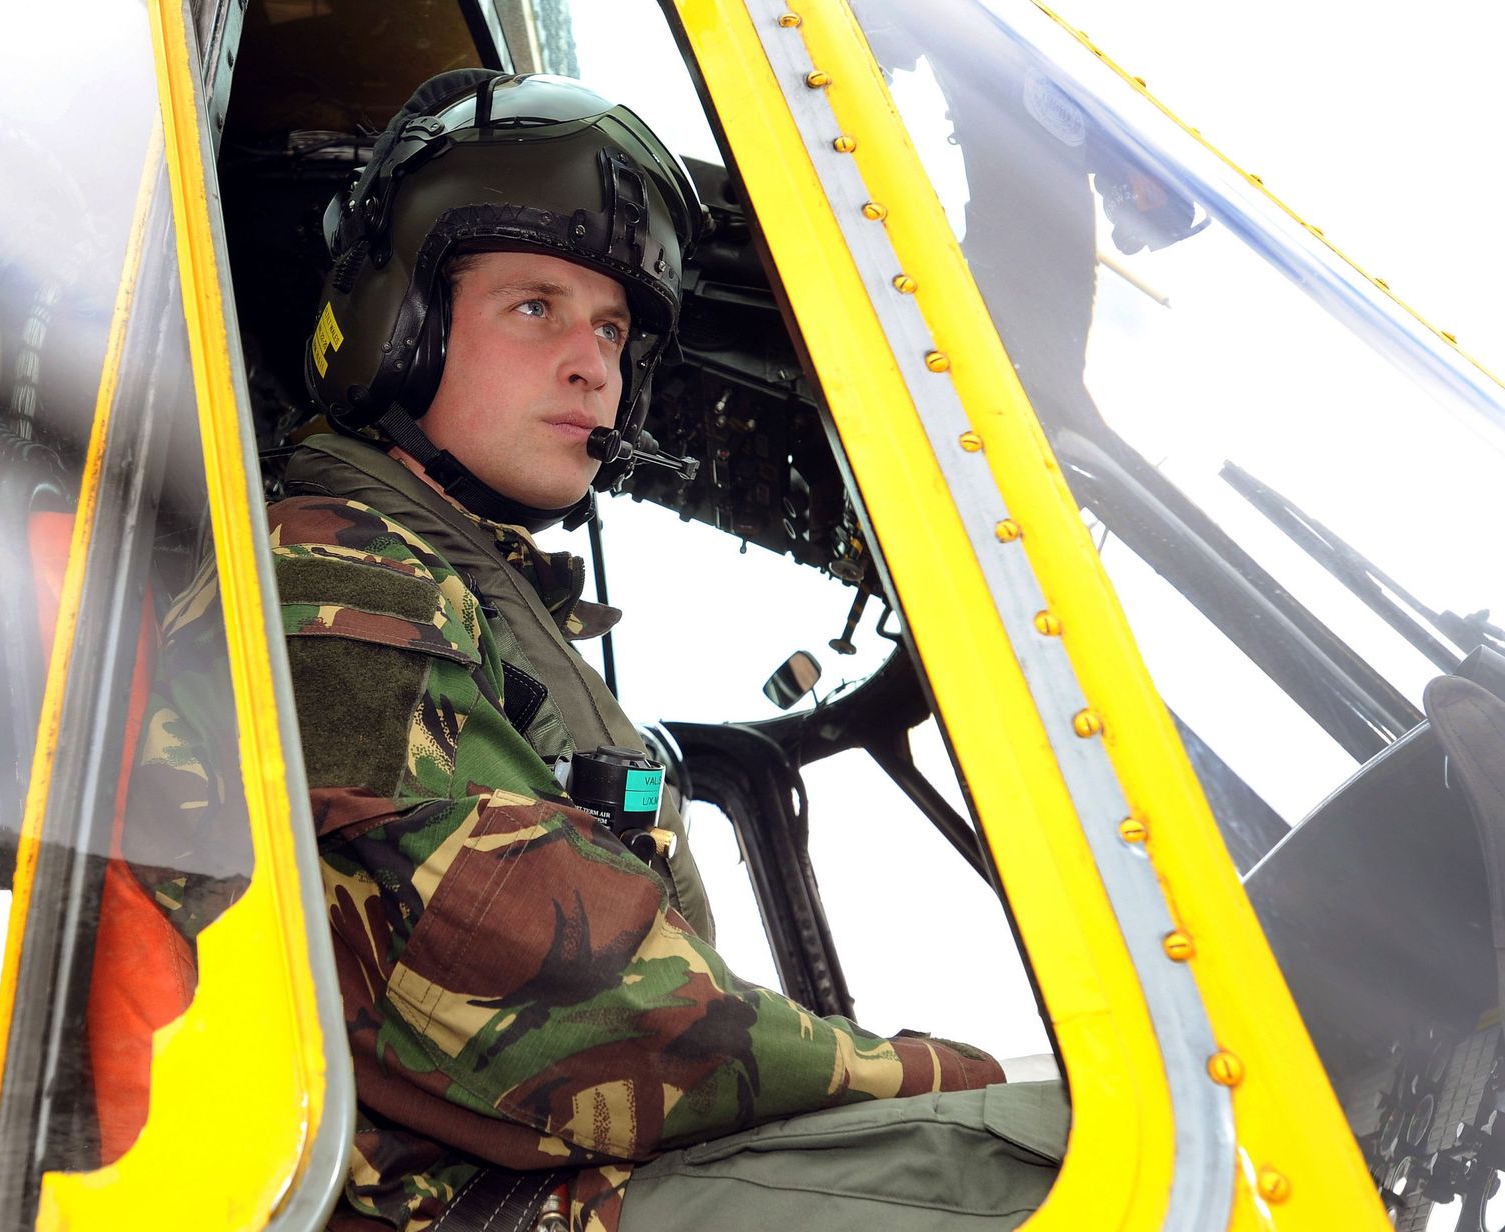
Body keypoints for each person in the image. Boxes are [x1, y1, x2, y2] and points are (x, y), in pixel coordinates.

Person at [140, 69, 1066, 1232]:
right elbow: (553, 997)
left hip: (502, 1189)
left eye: (614, 329)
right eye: (535, 306)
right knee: (1034, 1166)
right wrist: (934, 1079)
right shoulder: (333, 579)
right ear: (403, 321)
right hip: (428, 1209)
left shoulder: (458, 583)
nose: (595, 365)